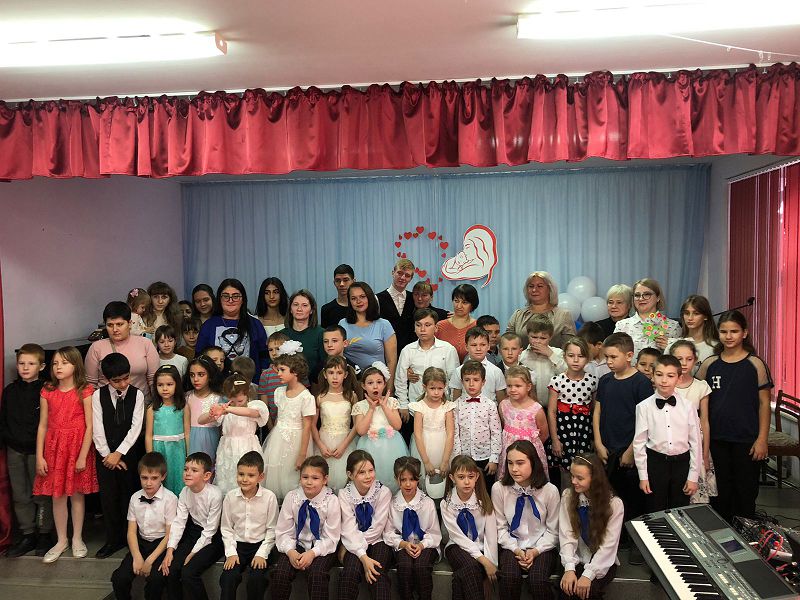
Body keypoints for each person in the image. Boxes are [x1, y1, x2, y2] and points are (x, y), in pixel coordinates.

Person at [697, 310, 772, 523]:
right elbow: (694, 396)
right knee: (720, 492)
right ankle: (721, 533)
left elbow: (764, 404)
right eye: (724, 332)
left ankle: (746, 533)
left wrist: (762, 439)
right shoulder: (710, 364)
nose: (728, 336)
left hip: (746, 439)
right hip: (716, 439)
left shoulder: (755, 364)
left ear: (744, 333)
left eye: (734, 331)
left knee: (745, 491)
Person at [33, 346, 98, 563]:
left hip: (77, 448)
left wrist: (82, 455)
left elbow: (90, 426)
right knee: (57, 496)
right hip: (53, 449)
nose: (58, 367)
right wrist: (40, 456)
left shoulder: (85, 390)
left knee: (77, 495)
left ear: (76, 365)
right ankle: (62, 540)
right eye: (55, 363)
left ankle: (77, 538)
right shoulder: (47, 390)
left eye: (64, 363)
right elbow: (42, 425)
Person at [591, 333, 651, 565]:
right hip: (607, 448)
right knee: (609, 496)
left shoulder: (641, 383)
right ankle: (613, 540)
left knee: (632, 498)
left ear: (629, 355)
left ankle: (635, 542)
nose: (608, 361)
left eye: (613, 357)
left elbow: (645, 421)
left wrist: (631, 450)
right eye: (606, 357)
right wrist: (598, 442)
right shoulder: (606, 381)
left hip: (629, 450)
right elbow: (598, 411)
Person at [1, 343, 54, 557]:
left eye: (31, 364)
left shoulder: (47, 390)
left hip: (37, 451)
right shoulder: (10, 391)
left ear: (41, 366)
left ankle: (44, 533)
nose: (25, 367)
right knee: (20, 494)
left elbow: (49, 423)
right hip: (14, 449)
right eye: (21, 363)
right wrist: (8, 439)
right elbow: (4, 418)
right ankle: (27, 534)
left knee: (41, 494)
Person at [92, 352, 146, 559]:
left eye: (126, 378)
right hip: (105, 457)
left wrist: (119, 453)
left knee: (130, 496)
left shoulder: (137, 395)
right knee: (109, 498)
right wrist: (108, 455)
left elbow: (135, 428)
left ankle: (131, 538)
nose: (123, 384)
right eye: (117, 381)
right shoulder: (98, 396)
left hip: (129, 455)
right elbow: (97, 428)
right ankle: (112, 540)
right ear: (107, 379)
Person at [493, 440, 560, 600]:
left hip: (542, 546)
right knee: (509, 577)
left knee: (538, 580)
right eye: (510, 463)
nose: (514, 469)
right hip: (511, 545)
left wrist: (536, 551)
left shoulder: (550, 491)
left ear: (533, 462)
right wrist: (516, 549)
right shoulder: (499, 488)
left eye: (520, 463)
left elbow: (554, 531)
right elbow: (500, 527)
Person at [633, 355, 701, 513]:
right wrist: (643, 476)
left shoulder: (688, 406)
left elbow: (696, 442)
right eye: (659, 374)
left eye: (670, 376)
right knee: (655, 508)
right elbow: (639, 443)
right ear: (652, 376)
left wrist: (693, 476)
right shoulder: (644, 407)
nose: (664, 380)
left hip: (682, 463)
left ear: (679, 378)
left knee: (680, 509)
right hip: (655, 463)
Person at [110, 452, 178, 600]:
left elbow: (169, 535)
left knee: (156, 580)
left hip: (161, 545)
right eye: (144, 478)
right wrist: (137, 557)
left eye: (154, 478)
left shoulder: (170, 499)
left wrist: (149, 560)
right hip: (140, 544)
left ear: (163, 477)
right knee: (119, 578)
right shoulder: (135, 498)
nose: (148, 483)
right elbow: (131, 532)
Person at [271, 456, 341, 600]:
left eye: (315, 478)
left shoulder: (331, 501)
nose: (309, 482)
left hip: (322, 547)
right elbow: (283, 531)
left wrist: (312, 553)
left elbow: (331, 537)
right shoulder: (292, 497)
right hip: (297, 544)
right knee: (281, 573)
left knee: (317, 574)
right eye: (305, 477)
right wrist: (291, 552)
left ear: (325, 479)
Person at [158, 452, 224, 600]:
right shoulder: (184, 492)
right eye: (186, 469)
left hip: (214, 537)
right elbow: (179, 523)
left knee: (189, 573)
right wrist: (170, 550)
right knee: (171, 569)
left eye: (194, 470)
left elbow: (210, 530)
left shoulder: (215, 494)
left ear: (206, 476)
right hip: (194, 532)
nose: (187, 473)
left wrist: (193, 553)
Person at [559, 454, 624, 600]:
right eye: (572, 476)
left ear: (594, 478)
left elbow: (608, 545)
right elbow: (567, 535)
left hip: (601, 561)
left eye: (580, 478)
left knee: (587, 592)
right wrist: (569, 568)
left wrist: (589, 574)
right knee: (566, 589)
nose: (573, 481)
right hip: (576, 556)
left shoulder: (614, 504)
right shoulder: (568, 496)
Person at [218, 451, 279, 600]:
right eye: (241, 474)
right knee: (228, 578)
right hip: (237, 545)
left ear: (261, 477)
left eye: (251, 475)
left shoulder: (269, 498)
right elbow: (226, 528)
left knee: (256, 579)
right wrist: (231, 552)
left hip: (260, 545)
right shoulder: (230, 497)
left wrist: (262, 554)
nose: (244, 479)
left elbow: (272, 530)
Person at [394, 308, 458, 445]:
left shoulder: (448, 349)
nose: (422, 329)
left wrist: (450, 405)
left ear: (436, 327)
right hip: (414, 408)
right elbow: (400, 380)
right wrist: (403, 405)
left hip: (441, 409)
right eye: (418, 325)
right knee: (416, 445)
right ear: (414, 327)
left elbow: (454, 381)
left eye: (427, 325)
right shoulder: (408, 350)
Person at [338, 450, 394, 600]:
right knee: (349, 574)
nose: (368, 476)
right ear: (350, 474)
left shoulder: (383, 492)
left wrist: (352, 547)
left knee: (376, 573)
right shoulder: (344, 494)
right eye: (362, 472)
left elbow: (377, 528)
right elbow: (348, 529)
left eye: (371, 470)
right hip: (354, 542)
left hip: (378, 540)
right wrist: (363, 556)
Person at [262, 344, 316, 500]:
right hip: (278, 438)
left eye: (282, 370)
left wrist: (302, 454)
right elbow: (279, 418)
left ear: (295, 371)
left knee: (291, 475)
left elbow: (307, 426)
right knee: (276, 473)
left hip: (297, 441)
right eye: (278, 369)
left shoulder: (306, 397)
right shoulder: (279, 392)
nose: (278, 373)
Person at [440, 455, 498, 600]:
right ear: (452, 478)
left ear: (476, 477)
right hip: (456, 546)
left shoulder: (484, 501)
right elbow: (457, 536)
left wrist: (491, 564)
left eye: (470, 477)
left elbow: (491, 536)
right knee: (471, 567)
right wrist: (484, 561)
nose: (467, 482)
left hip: (481, 547)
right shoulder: (446, 504)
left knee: (463, 574)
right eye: (461, 477)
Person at [384, 456, 442, 600]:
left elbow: (434, 533)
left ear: (418, 479)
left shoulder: (427, 503)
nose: (408, 484)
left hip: (426, 546)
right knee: (404, 566)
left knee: (421, 567)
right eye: (403, 479)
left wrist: (422, 545)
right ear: (396, 479)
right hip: (403, 545)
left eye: (412, 479)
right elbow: (389, 532)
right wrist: (403, 544)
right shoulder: (393, 504)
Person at [202, 374, 269, 495]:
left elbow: (251, 413)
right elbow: (200, 420)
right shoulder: (225, 408)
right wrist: (212, 413)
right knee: (229, 479)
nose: (237, 403)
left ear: (247, 393)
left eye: (240, 400)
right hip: (228, 449)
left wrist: (227, 410)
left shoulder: (254, 405)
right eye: (233, 400)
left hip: (247, 448)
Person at [670, 340, 716, 504]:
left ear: (695, 360)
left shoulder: (701, 386)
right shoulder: (666, 385)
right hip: (672, 441)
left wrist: (705, 454)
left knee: (694, 492)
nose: (684, 363)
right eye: (679, 359)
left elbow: (705, 421)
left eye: (689, 359)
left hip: (695, 441)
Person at [352, 363, 409, 494]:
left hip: (392, 446)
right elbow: (361, 431)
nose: (375, 386)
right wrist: (371, 409)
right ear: (363, 386)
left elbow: (397, 425)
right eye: (370, 383)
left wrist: (384, 406)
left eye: (379, 382)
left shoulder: (391, 402)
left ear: (384, 384)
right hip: (369, 447)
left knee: (391, 474)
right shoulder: (360, 406)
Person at [86, 301, 160, 401]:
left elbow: (154, 380)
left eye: (119, 324)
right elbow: (90, 384)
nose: (115, 329)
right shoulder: (96, 347)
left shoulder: (145, 344)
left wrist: (155, 405)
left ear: (129, 323)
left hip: (141, 402)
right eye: (110, 325)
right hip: (106, 404)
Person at [196, 279, 267, 379]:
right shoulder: (209, 325)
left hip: (250, 383)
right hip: (216, 384)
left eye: (235, 296)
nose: (230, 300)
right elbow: (199, 358)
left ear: (243, 299)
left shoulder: (255, 324)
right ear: (219, 299)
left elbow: (264, 356)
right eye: (226, 296)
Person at [548, 337, 598, 472]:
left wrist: (594, 438)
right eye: (571, 356)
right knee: (565, 470)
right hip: (563, 431)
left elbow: (594, 411)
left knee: (584, 468)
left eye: (580, 356)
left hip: (584, 431)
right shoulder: (557, 381)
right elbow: (551, 412)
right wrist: (555, 440)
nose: (575, 360)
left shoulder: (592, 381)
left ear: (587, 358)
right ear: (565, 357)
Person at [451, 361, 502, 489]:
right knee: (465, 488)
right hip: (464, 457)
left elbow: (496, 432)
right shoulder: (456, 405)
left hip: (485, 457)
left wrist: (494, 458)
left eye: (476, 380)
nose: (471, 384)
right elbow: (455, 433)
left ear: (483, 382)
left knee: (485, 489)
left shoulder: (490, 405)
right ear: (462, 382)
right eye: (467, 380)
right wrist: (457, 458)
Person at [311, 355, 359, 490]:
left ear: (345, 375)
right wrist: (320, 445)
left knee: (343, 477)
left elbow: (356, 425)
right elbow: (313, 425)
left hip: (345, 442)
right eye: (331, 373)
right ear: (325, 375)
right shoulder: (320, 397)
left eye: (339, 373)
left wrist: (344, 446)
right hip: (324, 442)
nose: (335, 377)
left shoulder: (351, 396)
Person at [341, 281, 398, 387]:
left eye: (362, 297)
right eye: (353, 298)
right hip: (349, 383)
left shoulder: (384, 325)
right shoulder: (342, 324)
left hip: (376, 385)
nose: (358, 301)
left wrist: (389, 388)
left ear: (370, 298)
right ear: (350, 301)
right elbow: (338, 355)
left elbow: (391, 361)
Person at [146, 366, 190, 496]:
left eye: (169, 384)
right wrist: (150, 457)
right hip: (159, 449)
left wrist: (188, 455)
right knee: (160, 478)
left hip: (178, 450)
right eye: (160, 385)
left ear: (177, 384)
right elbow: (148, 435)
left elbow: (187, 432)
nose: (165, 388)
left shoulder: (183, 407)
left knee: (178, 478)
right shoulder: (152, 409)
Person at [498, 367, 549, 480]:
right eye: (509, 386)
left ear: (528, 387)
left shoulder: (536, 409)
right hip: (508, 451)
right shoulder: (503, 405)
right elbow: (503, 425)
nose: (513, 389)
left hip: (529, 453)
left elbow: (544, 434)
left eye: (518, 386)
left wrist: (531, 447)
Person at [613, 278, 681, 360]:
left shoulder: (673, 326)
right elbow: (614, 356)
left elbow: (681, 360)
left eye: (647, 294)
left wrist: (670, 347)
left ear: (658, 297)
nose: (641, 298)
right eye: (637, 295)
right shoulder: (622, 326)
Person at [409, 367, 455, 488]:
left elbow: (450, 434)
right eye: (432, 388)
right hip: (424, 448)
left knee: (443, 482)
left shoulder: (447, 407)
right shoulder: (420, 407)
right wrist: (426, 462)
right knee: (426, 481)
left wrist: (445, 461)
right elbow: (417, 435)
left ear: (445, 387)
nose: (436, 392)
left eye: (440, 388)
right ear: (424, 387)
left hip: (443, 447)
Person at [506, 271, 576, 349]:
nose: (534, 290)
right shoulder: (517, 315)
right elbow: (507, 344)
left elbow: (570, 348)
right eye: (531, 286)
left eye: (540, 286)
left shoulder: (563, 315)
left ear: (550, 289)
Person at [519, 315, 567, 407]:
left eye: (543, 338)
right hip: (529, 408)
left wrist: (551, 355)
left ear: (550, 337)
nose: (538, 341)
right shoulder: (522, 356)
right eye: (534, 337)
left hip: (554, 407)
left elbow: (568, 375)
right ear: (528, 335)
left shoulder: (558, 353)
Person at [449, 326, 507, 402]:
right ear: (466, 347)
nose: (478, 349)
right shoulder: (458, 371)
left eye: (483, 345)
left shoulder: (496, 371)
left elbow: (501, 401)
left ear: (488, 346)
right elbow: (455, 399)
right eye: (474, 345)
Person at [186, 355, 224, 461]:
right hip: (191, 440)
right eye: (192, 375)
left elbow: (222, 428)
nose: (195, 379)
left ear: (210, 375)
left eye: (201, 374)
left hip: (212, 439)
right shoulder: (187, 397)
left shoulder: (218, 398)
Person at [284, 289, 326, 381]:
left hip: (315, 384)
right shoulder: (281, 335)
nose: (299, 309)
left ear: (311, 310)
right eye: (295, 305)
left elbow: (326, 364)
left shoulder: (321, 334)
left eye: (304, 305)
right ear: (290, 309)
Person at [668, 295, 719, 368]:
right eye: (686, 313)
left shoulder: (715, 347)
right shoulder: (672, 345)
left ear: (706, 316)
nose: (690, 318)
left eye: (696, 313)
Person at [376, 258, 417, 351]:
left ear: (411, 279)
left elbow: (428, 311)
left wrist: (447, 314)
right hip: (385, 350)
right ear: (393, 273)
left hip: (411, 351)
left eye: (407, 275)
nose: (402, 278)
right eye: (399, 273)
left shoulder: (414, 298)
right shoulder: (377, 298)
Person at [436, 284, 479, 362]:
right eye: (456, 301)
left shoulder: (477, 326)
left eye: (464, 302)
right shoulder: (440, 326)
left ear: (472, 305)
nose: (459, 306)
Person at [258, 331, 289, 431]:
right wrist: (270, 427)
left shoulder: (295, 371)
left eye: (278, 349)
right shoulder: (265, 374)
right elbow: (264, 406)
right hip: (274, 424)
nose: (274, 353)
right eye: (270, 350)